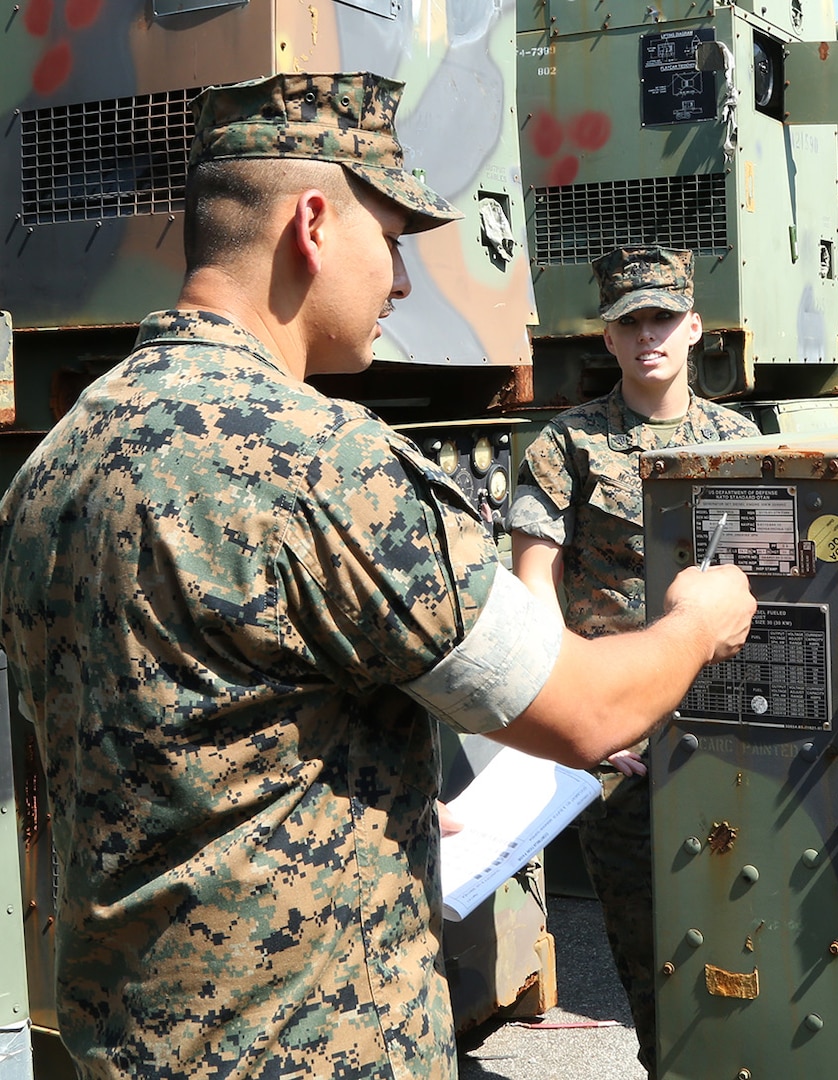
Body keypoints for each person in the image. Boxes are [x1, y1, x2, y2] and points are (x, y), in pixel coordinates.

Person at [0, 73, 755, 1079]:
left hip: (128, 1045)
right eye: (392, 240)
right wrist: (699, 620)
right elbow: (584, 713)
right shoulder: (323, 462)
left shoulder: (57, 461)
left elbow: (165, 742)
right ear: (314, 223)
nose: (400, 282)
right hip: (312, 1047)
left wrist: (370, 791)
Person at [507, 245, 761, 1076]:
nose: (647, 335)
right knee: (650, 955)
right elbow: (532, 586)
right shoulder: (566, 446)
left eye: (662, 318)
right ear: (608, 340)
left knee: (752, 941)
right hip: (625, 747)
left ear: (694, 328)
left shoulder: (739, 440)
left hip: (731, 734)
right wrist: (579, 708)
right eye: (629, 322)